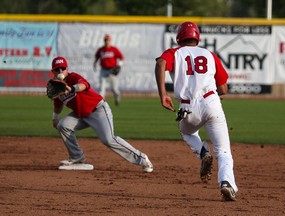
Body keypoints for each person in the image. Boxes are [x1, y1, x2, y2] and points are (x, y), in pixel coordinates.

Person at [154, 21, 238, 201]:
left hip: (187, 107)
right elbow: (223, 89)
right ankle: (227, 184)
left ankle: (202, 152)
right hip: (211, 102)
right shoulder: (209, 54)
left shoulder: (174, 53)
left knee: (187, 132)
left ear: (179, 37)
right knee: (223, 151)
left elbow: (161, 63)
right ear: (197, 37)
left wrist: (163, 94)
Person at [50, 56, 153, 173]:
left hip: (98, 110)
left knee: (109, 140)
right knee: (63, 125)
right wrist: (55, 117)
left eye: (62, 68)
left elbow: (84, 85)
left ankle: (142, 159)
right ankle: (77, 157)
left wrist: (72, 88)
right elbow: (58, 103)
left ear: (67, 69)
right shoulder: (56, 86)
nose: (60, 71)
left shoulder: (73, 77)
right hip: (81, 115)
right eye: (57, 69)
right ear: (53, 71)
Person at [93, 34, 124, 106]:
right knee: (102, 88)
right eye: (106, 40)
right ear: (104, 41)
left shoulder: (114, 49)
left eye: (108, 40)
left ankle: (117, 98)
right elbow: (97, 57)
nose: (107, 42)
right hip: (103, 70)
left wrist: (119, 65)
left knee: (115, 89)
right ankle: (101, 104)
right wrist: (94, 64)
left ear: (110, 41)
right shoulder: (101, 49)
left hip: (112, 70)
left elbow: (121, 57)